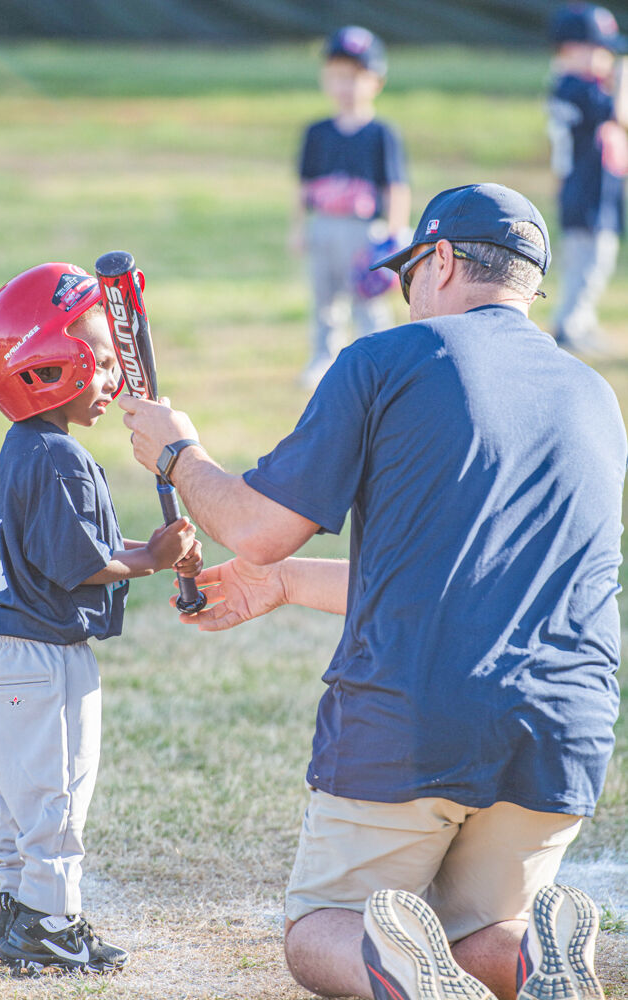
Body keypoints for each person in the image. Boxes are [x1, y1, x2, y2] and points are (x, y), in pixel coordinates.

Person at [120, 183, 625, 1000]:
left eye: (407, 272)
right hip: (564, 728)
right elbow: (463, 580)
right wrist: (281, 586)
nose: (405, 294)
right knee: (478, 931)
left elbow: (254, 527)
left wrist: (178, 455)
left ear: (444, 260)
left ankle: (408, 972)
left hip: (416, 715)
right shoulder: (593, 397)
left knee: (325, 927)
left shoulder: (389, 360)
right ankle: (530, 959)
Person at [0, 263, 202, 975]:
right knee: (57, 801)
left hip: (4, 657)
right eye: (99, 364)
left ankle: (22, 911)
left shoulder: (28, 448)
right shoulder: (61, 458)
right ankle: (51, 924)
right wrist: (155, 558)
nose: (111, 381)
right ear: (50, 368)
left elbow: (70, 552)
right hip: (42, 661)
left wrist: (152, 551)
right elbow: (81, 564)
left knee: (24, 802)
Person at [290, 25, 411, 389]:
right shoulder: (317, 132)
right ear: (325, 79)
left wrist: (394, 235)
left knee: (367, 298)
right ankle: (323, 357)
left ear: (377, 82)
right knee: (325, 297)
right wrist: (298, 227)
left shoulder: (382, 134)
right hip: (324, 224)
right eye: (338, 76)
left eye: (357, 77)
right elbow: (304, 185)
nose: (346, 86)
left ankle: (381, 363)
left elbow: (396, 187)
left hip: (364, 230)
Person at [548, 2, 628, 353]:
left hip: (587, 188)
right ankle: (570, 323)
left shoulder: (567, 86)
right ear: (570, 50)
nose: (606, 59)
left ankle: (580, 319)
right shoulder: (577, 88)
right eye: (598, 51)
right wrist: (622, 76)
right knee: (589, 260)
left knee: (592, 259)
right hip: (585, 190)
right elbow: (620, 115)